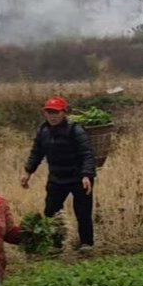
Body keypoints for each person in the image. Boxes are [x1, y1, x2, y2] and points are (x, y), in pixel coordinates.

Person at [21, 96, 97, 249]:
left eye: (56, 112)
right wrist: (28, 172)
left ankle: (86, 244)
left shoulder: (75, 129)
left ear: (64, 113)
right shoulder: (43, 131)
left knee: (82, 212)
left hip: (78, 177)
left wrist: (86, 175)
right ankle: (56, 244)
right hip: (57, 177)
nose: (52, 116)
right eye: (49, 112)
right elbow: (36, 153)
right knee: (51, 212)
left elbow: (87, 154)